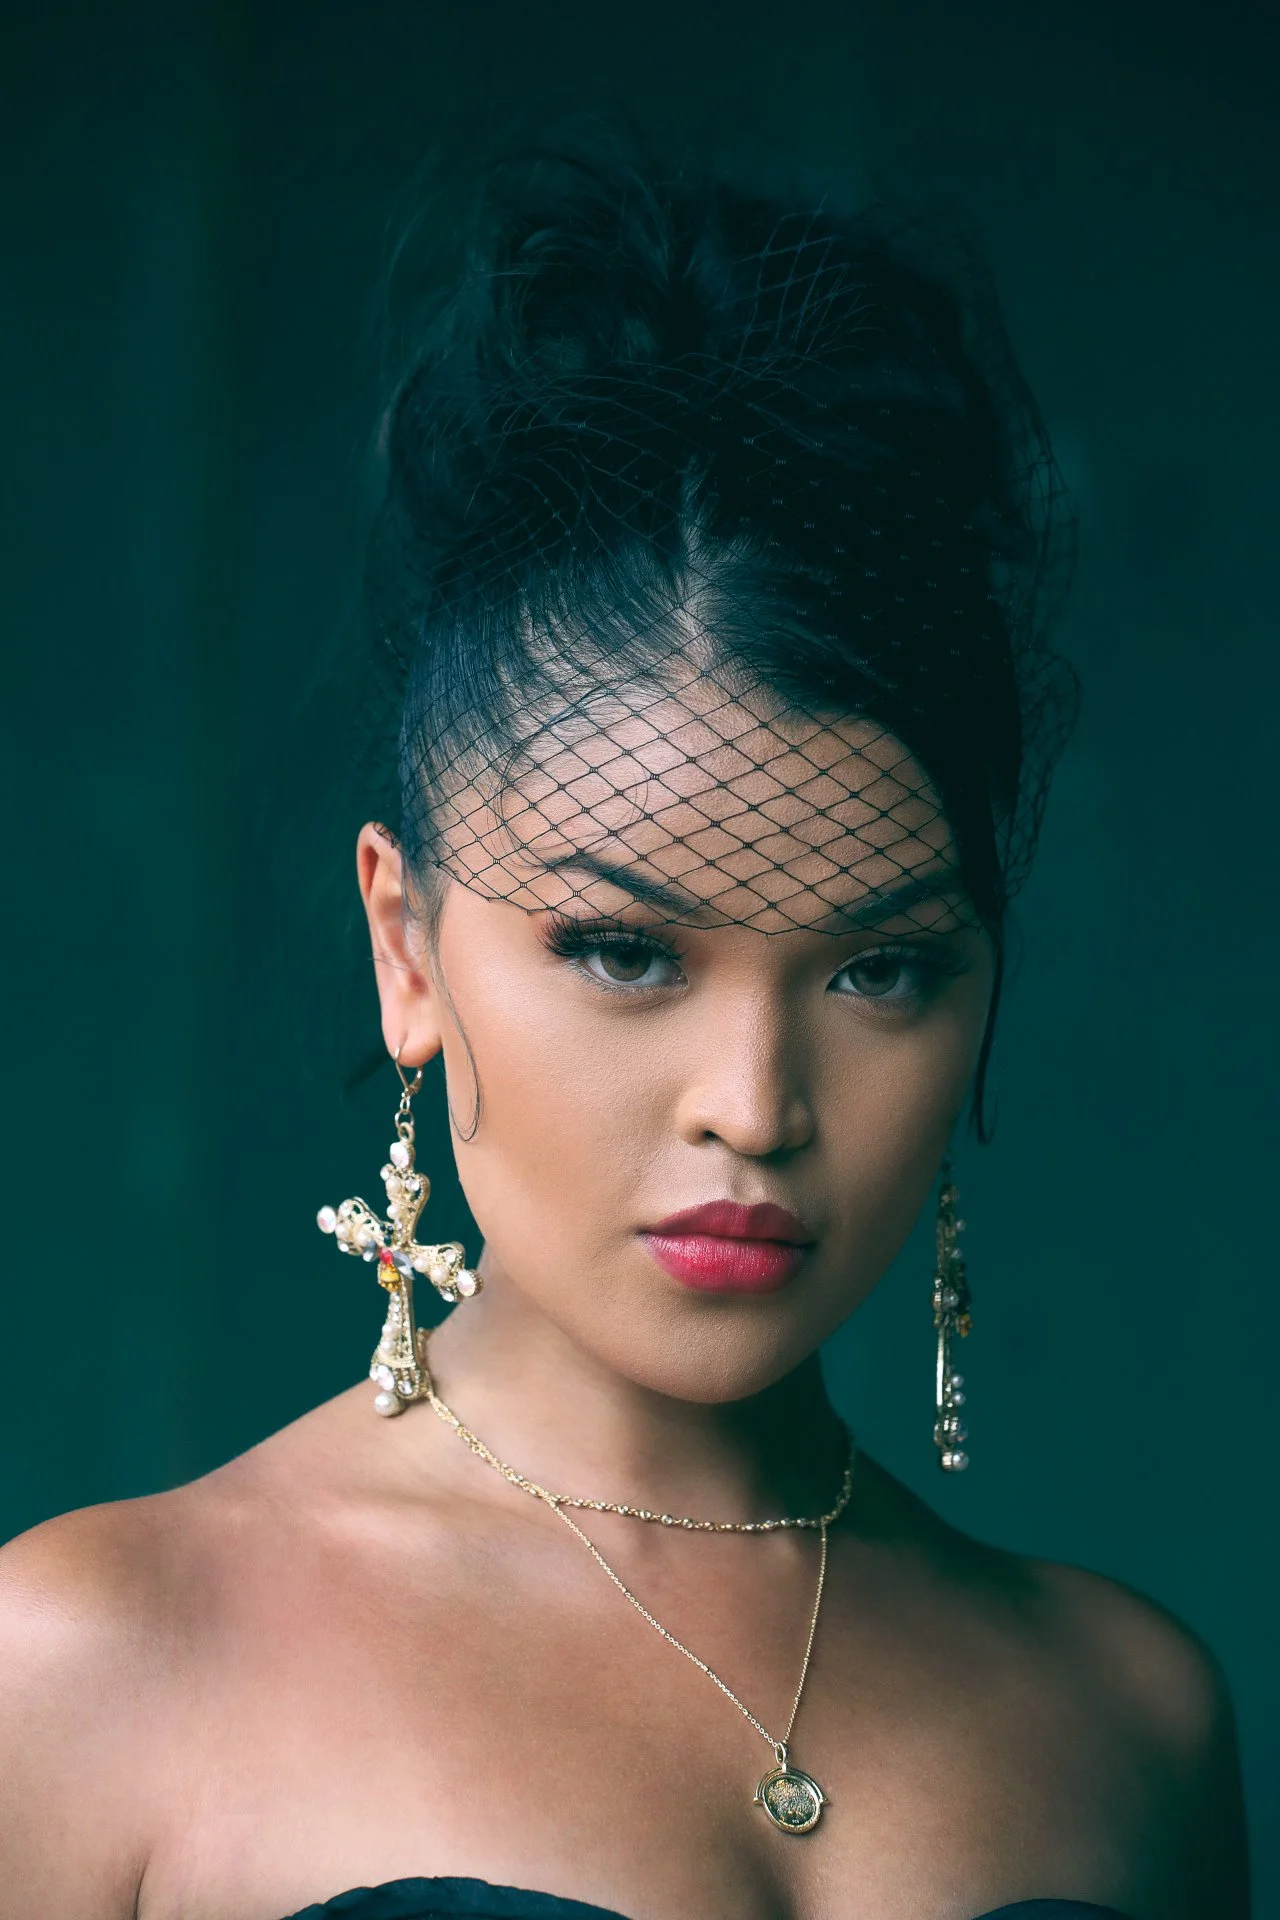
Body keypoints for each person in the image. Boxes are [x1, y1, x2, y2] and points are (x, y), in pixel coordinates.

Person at [0, 140, 1249, 1920]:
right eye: (623, 952)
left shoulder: (1133, 1722)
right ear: (406, 946)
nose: (754, 1106)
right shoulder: (87, 1674)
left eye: (881, 970)